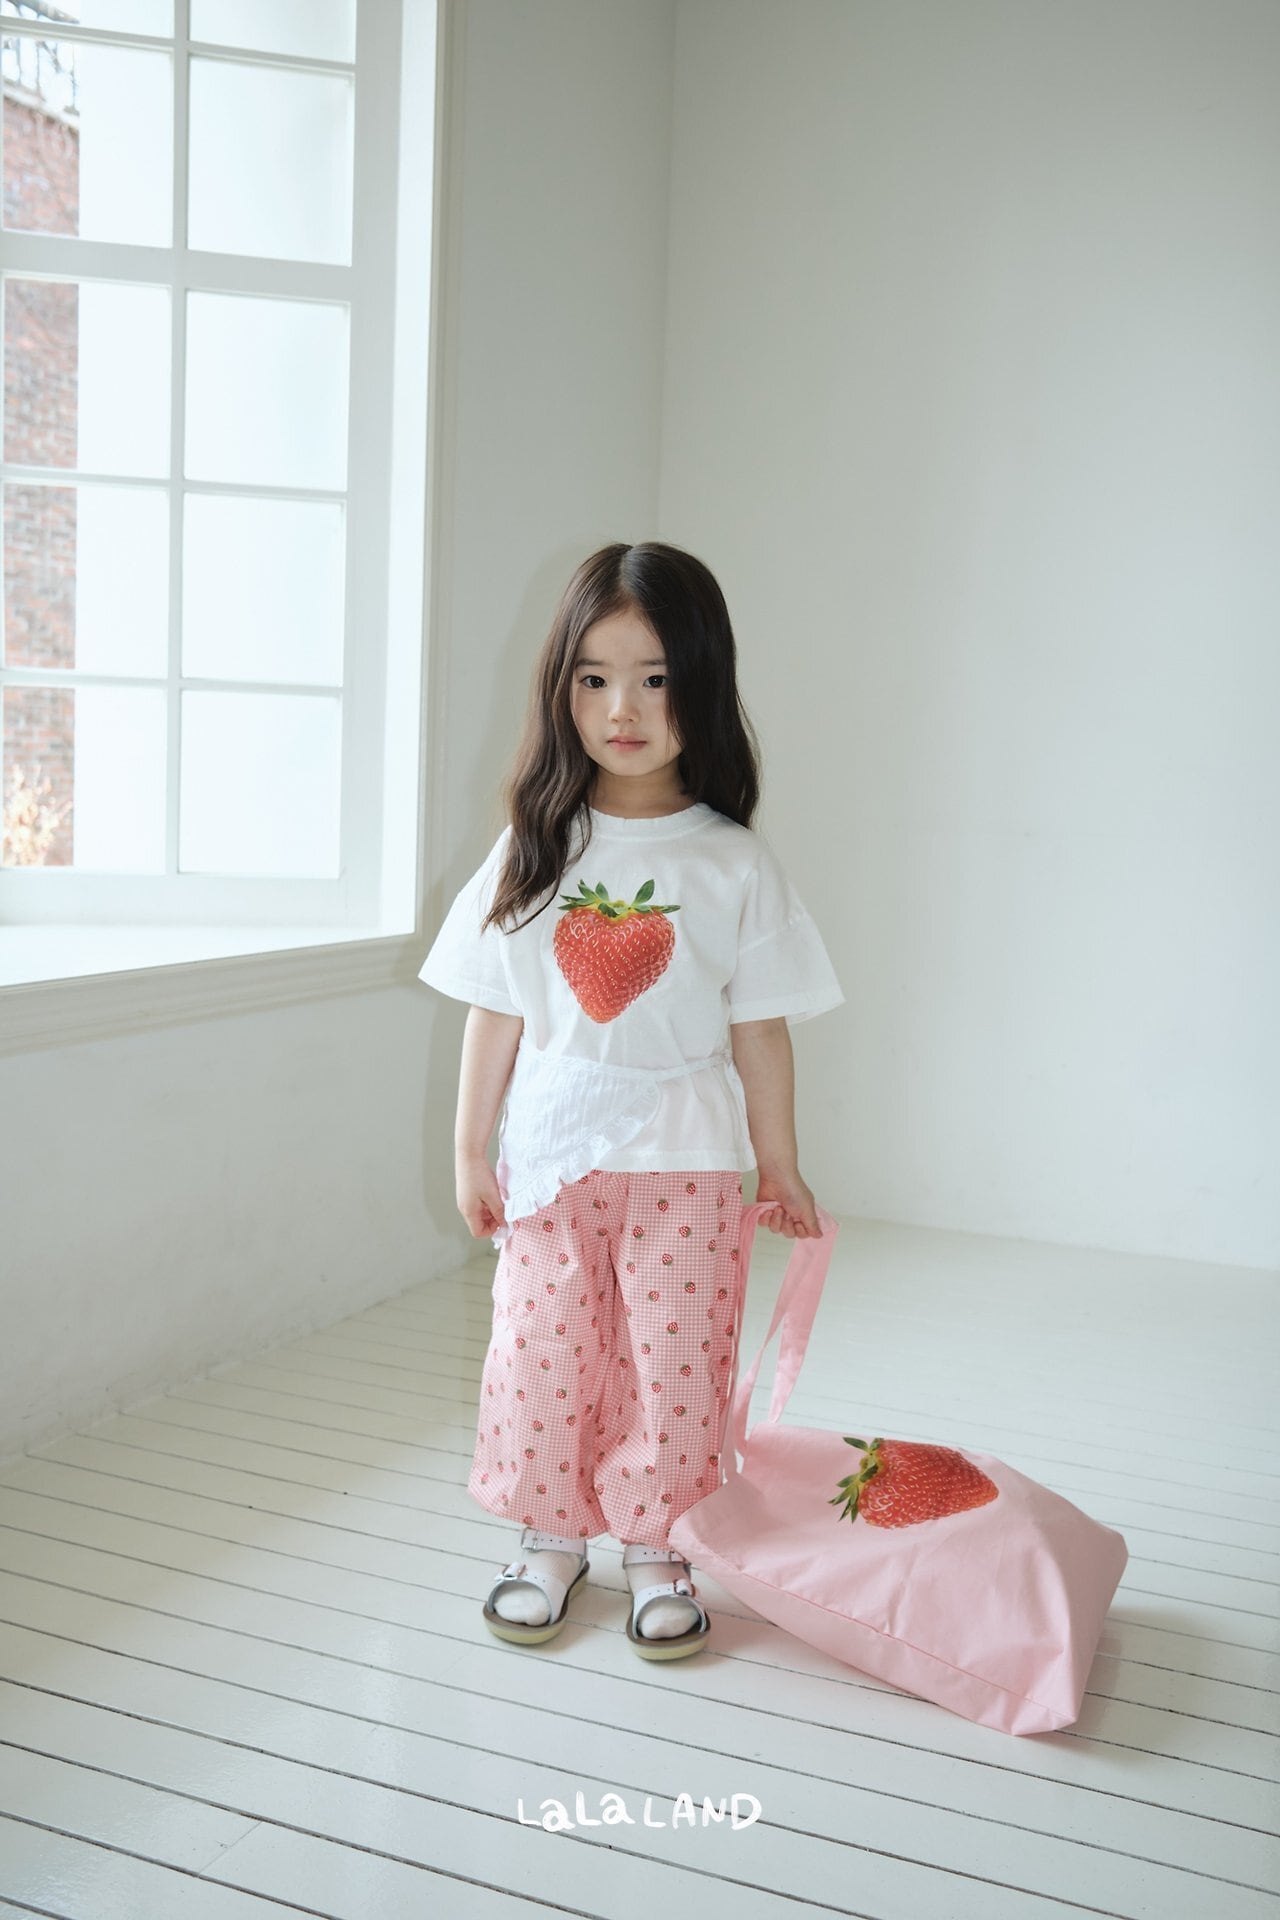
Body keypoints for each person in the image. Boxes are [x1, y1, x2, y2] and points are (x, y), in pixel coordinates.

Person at [418, 541, 843, 1659]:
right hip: (551, 1159)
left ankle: (658, 1543)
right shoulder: (533, 849)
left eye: (655, 679)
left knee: (675, 1358)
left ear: (702, 686)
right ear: (560, 690)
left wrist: (779, 1161)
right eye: (594, 678)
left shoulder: (732, 863)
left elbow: (760, 1028)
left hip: (688, 1164)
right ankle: (548, 1535)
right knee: (543, 1350)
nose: (623, 708)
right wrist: (469, 1151)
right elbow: (494, 1010)